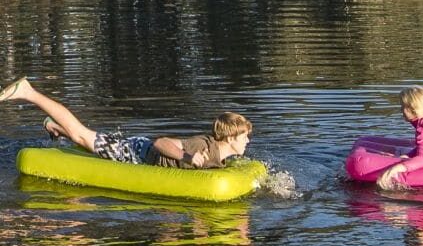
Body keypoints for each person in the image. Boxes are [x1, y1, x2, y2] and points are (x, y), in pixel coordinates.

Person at [0, 77, 251, 169]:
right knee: (81, 135)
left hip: (137, 149)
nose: (248, 140)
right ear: (230, 138)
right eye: (244, 136)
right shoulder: (202, 147)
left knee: (86, 139)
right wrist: (186, 157)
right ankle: (28, 92)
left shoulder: (223, 155)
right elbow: (161, 142)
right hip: (136, 153)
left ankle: (54, 128)